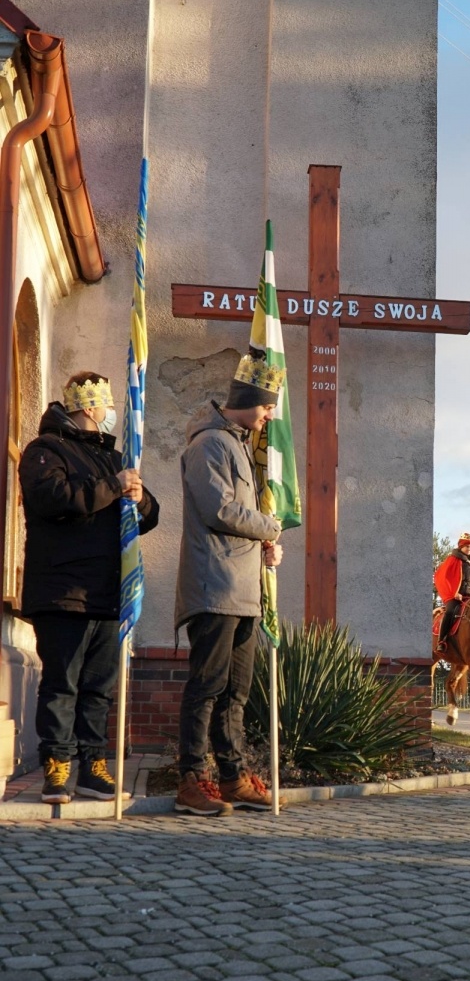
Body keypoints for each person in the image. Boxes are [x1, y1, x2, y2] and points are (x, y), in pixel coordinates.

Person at [19, 372, 160, 804]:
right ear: (87, 408)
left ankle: (93, 766)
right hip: (62, 593)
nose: (111, 412)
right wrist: (112, 488)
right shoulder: (45, 451)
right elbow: (55, 499)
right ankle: (57, 768)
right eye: (106, 405)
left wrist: (140, 498)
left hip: (106, 592)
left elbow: (149, 515)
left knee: (98, 688)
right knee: (62, 684)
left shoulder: (112, 457)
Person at [174, 350, 284, 817]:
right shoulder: (210, 444)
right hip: (213, 588)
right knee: (207, 687)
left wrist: (262, 547)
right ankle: (191, 780)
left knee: (236, 692)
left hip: (243, 592)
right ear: (251, 399)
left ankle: (233, 777)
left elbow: (239, 520)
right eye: (267, 406)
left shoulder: (238, 443)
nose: (270, 415)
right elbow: (219, 510)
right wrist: (269, 527)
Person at [434, 532, 470, 652]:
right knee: (450, 612)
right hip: (456, 596)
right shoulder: (453, 560)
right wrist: (454, 593)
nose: (469, 549)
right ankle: (442, 640)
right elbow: (444, 577)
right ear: (461, 546)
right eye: (467, 546)